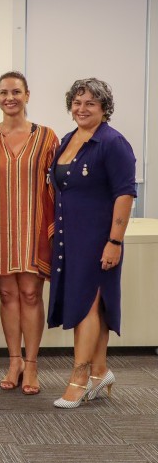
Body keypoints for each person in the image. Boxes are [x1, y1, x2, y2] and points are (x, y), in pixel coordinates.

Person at [49, 78, 136, 409]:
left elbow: (125, 194)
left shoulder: (113, 143)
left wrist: (114, 241)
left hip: (98, 239)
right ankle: (100, 372)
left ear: (104, 108)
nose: (82, 109)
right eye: (77, 102)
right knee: (90, 305)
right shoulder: (69, 139)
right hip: (69, 239)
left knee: (86, 304)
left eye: (90, 103)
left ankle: (79, 377)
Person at [0, 71, 58, 396]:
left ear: (27, 95)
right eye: (4, 92)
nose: (9, 98)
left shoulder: (47, 137)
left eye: (15, 92)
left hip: (32, 228)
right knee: (8, 295)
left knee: (30, 294)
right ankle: (14, 361)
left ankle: (32, 363)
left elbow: (58, 186)